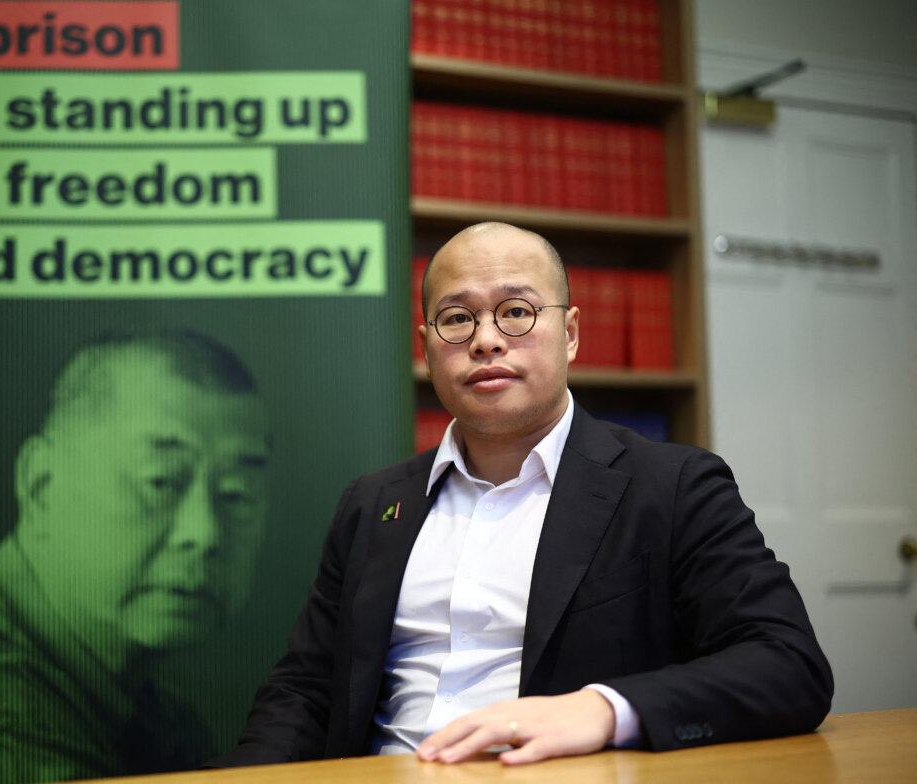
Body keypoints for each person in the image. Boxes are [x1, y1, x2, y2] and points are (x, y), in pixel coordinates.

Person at [212, 222, 832, 768]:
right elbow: (308, 687)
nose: (486, 339)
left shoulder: (673, 487)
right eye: (458, 318)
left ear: (570, 334)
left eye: (516, 311)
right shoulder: (373, 503)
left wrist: (603, 710)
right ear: (426, 346)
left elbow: (787, 664)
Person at [0, 330, 272, 782]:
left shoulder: (147, 702)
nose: (203, 534)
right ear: (41, 485)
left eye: (238, 493)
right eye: (159, 482)